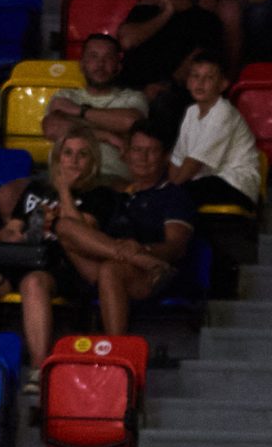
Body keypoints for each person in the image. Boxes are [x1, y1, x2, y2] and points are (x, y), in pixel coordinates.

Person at [0, 128, 119, 384]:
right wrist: (12, 236)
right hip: (24, 256)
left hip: (62, 264)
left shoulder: (100, 195)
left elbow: (79, 232)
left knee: (33, 282)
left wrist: (63, 191)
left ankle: (38, 369)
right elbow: (11, 228)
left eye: (82, 155)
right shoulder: (36, 190)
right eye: (68, 153)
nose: (73, 161)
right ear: (58, 158)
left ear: (93, 161)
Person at [51, 120, 196, 332]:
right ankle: (135, 259)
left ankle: (116, 347)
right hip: (103, 267)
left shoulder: (173, 195)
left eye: (152, 151)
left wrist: (144, 249)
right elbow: (81, 235)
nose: (143, 157)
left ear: (166, 157)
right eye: (137, 150)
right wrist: (64, 190)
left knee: (111, 270)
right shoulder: (113, 193)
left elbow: (176, 247)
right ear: (126, 154)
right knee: (64, 226)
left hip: (152, 276)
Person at [117, 0, 227, 137]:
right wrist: (167, 13)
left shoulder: (206, 20)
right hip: (131, 89)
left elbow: (197, 65)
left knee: (164, 103)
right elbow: (127, 41)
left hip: (172, 93)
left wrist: (164, 86)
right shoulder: (143, 11)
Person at [41, 34, 149, 186]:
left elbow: (131, 122)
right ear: (82, 65)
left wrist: (80, 111)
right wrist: (107, 136)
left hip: (109, 178)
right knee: (10, 191)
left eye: (108, 58)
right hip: (63, 176)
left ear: (118, 66)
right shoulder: (65, 96)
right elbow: (52, 128)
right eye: (93, 56)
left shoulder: (132, 98)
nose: (100, 64)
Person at [170, 53, 261, 212]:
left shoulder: (223, 111)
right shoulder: (191, 112)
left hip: (236, 185)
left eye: (209, 78)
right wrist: (170, 188)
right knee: (169, 196)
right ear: (188, 82)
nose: (200, 83)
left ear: (223, 84)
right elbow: (177, 160)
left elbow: (193, 163)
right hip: (207, 182)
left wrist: (170, 192)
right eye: (195, 76)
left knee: (176, 196)